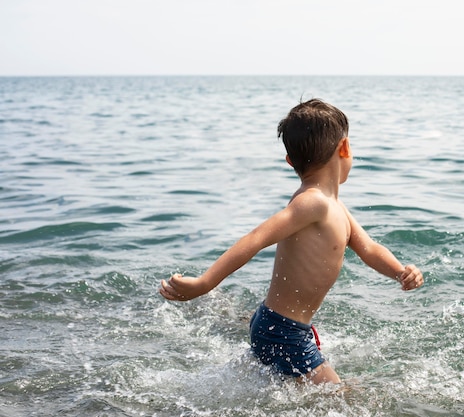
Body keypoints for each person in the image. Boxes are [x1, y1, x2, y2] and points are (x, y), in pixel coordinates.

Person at [159, 98, 424, 384]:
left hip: (283, 327)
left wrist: (400, 271)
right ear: (345, 148)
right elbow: (257, 237)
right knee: (344, 399)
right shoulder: (313, 204)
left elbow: (369, 249)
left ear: (290, 162)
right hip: (283, 332)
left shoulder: (335, 207)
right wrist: (204, 283)